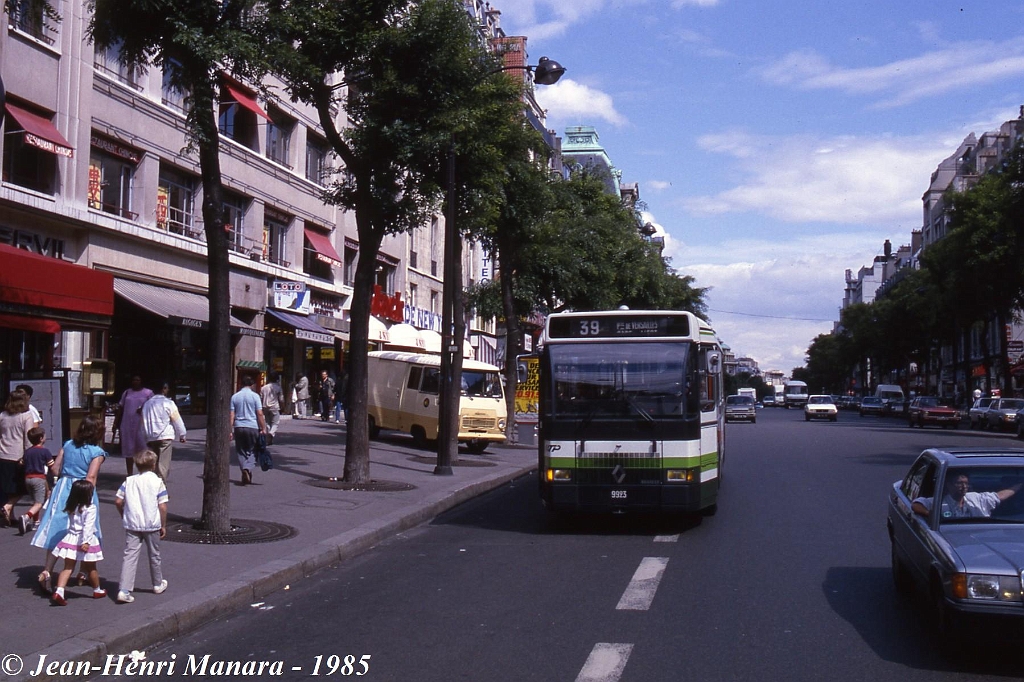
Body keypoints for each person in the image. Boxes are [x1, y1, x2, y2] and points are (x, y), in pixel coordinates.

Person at [31, 415, 106, 595]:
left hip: (63, 488)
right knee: (86, 528)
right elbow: (91, 477)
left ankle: (47, 570)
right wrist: (86, 496)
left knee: (58, 529)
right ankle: (82, 571)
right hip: (83, 489)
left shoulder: (68, 445)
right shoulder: (97, 452)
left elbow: (55, 468)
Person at [114, 449, 168, 604]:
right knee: (154, 554)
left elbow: (118, 501)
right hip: (151, 524)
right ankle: (157, 583)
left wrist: (123, 513)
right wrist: (163, 524)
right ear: (153, 464)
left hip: (132, 523)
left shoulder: (129, 481)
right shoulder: (157, 482)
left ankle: (124, 590)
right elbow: (162, 506)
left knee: (130, 555)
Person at [49, 479, 105, 605]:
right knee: (91, 568)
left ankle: (60, 590)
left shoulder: (72, 506)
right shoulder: (90, 508)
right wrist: (86, 541)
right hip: (85, 539)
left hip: (71, 538)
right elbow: (88, 526)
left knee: (68, 567)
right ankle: (97, 589)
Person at [912, 471, 1023, 519]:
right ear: (949, 485)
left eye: (966, 483)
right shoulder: (939, 502)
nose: (964, 486)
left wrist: (1020, 485)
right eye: (959, 483)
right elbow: (916, 504)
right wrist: (929, 513)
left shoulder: (977, 499)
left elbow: (1000, 496)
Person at [1, 388, 36, 527]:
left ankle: (10, 515)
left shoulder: (2, 415)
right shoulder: (26, 416)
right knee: (22, 487)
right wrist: (28, 455)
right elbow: (28, 437)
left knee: (7, 487)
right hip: (17, 455)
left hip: (2, 454)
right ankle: (8, 506)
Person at [140, 382, 187, 482]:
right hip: (165, 436)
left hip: (151, 437)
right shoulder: (168, 403)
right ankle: (161, 489)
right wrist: (182, 434)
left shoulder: (147, 404)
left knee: (153, 463)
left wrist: (144, 437)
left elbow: (142, 423)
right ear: (164, 389)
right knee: (163, 465)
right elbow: (177, 420)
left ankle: (152, 485)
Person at [112, 376, 154, 475]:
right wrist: (115, 422)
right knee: (129, 451)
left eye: (138, 380)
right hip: (127, 425)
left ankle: (144, 473)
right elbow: (120, 408)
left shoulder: (148, 393)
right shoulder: (127, 393)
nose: (135, 382)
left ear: (141, 381)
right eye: (133, 380)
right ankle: (129, 474)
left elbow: (153, 408)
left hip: (142, 426)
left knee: (143, 450)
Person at [230, 375, 266, 486]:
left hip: (239, 426)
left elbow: (231, 414)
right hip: (252, 426)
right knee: (254, 449)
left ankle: (245, 471)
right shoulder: (255, 396)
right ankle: (247, 467)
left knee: (241, 450)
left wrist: (230, 430)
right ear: (252, 385)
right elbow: (259, 413)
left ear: (241, 384)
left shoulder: (235, 397)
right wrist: (263, 427)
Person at [19, 426, 55, 535]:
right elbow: (52, 466)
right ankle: (26, 517)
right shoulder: (45, 452)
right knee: (39, 503)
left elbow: (21, 463)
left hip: (28, 478)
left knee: (35, 500)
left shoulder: (28, 452)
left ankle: (36, 522)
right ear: (41, 438)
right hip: (39, 478)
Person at [260, 373, 285, 444]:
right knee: (275, 423)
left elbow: (261, 398)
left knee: (267, 422)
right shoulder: (278, 387)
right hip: (274, 407)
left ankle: (269, 438)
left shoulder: (263, 387)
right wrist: (282, 406)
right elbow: (281, 399)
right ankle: (271, 433)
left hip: (265, 406)